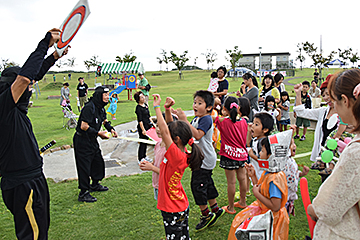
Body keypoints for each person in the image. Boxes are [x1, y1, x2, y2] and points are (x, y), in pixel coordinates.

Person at [0, 28, 68, 239]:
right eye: (27, 86)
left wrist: (54, 57)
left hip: (32, 179)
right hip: (22, 184)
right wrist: (45, 43)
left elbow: (32, 76)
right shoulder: (3, 108)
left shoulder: (15, 110)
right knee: (33, 235)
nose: (30, 88)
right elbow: (23, 79)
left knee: (40, 230)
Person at [307, 69, 360, 239]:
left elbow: (327, 210)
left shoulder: (355, 153)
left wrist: (313, 208)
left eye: (335, 100)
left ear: (345, 101)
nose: (333, 106)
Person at [152, 94, 204, 240]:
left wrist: (157, 107)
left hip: (172, 208)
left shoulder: (175, 156)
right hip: (180, 205)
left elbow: (164, 130)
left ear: (176, 140)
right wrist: (167, 109)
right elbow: (170, 129)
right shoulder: (185, 152)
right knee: (183, 237)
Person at [228, 130, 291, 240]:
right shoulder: (269, 172)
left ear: (271, 156)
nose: (259, 154)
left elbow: (275, 206)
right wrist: (253, 177)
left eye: (262, 151)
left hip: (271, 218)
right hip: (264, 212)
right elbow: (263, 190)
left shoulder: (274, 179)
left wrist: (257, 194)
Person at [177, 90, 224, 231]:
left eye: (199, 103)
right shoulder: (197, 119)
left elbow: (197, 134)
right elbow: (189, 131)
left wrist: (184, 120)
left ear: (209, 107)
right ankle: (215, 209)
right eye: (194, 102)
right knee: (207, 183)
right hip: (202, 158)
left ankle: (206, 215)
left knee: (198, 185)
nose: (195, 105)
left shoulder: (206, 119)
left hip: (205, 158)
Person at [293, 75, 346, 176]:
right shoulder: (323, 112)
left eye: (328, 94)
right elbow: (301, 112)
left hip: (338, 157)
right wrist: (298, 93)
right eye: (324, 95)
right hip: (323, 155)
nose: (326, 98)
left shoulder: (345, 113)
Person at [73, 86, 118, 202]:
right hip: (82, 140)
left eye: (108, 95)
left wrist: (111, 129)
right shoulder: (89, 107)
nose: (108, 97)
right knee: (84, 166)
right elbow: (83, 126)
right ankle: (83, 193)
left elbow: (104, 121)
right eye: (106, 95)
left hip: (92, 139)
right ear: (99, 95)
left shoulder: (100, 108)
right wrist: (98, 133)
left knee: (97, 162)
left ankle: (95, 184)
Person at [214, 96, 249, 214]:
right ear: (238, 108)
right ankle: (243, 202)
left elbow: (212, 118)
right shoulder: (244, 122)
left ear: (225, 108)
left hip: (228, 155)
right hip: (242, 155)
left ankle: (231, 207)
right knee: (242, 179)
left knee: (231, 182)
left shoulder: (222, 121)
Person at [283, 134, 309, 216]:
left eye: (294, 143)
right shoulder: (283, 163)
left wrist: (302, 173)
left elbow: (294, 175)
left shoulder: (292, 161)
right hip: (283, 197)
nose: (295, 146)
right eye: (291, 144)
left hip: (289, 197)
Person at [139, 122, 165, 201]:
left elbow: (167, 173)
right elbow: (154, 163)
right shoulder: (158, 145)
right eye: (157, 126)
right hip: (157, 185)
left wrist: (152, 168)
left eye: (161, 126)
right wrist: (147, 165)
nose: (158, 129)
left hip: (165, 186)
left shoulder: (169, 150)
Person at [248, 112, 274, 181]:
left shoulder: (263, 143)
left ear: (265, 130)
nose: (253, 126)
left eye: (256, 124)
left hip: (262, 174)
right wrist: (249, 131)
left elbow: (264, 161)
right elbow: (248, 144)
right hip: (256, 172)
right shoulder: (256, 139)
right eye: (253, 123)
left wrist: (252, 155)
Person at [134, 91, 154, 163]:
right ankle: (140, 158)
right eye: (141, 97)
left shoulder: (145, 105)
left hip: (148, 126)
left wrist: (153, 124)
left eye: (143, 96)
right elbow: (140, 120)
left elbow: (149, 116)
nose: (144, 98)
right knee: (142, 142)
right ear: (138, 99)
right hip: (143, 128)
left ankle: (144, 156)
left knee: (146, 142)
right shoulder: (138, 108)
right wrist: (143, 130)